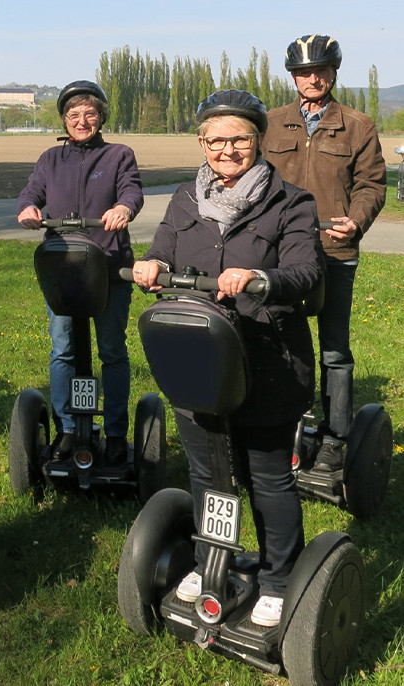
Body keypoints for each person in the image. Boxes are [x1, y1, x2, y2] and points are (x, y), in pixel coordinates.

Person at [132, 90, 323, 627]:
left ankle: (279, 578)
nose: (227, 149)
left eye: (239, 138)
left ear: (258, 140)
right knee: (208, 472)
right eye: (216, 139)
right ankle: (210, 558)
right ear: (201, 143)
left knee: (266, 477)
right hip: (199, 360)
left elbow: (306, 273)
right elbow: (163, 248)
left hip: (267, 361)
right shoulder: (184, 199)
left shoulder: (292, 202)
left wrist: (259, 279)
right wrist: (149, 265)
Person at [264, 34, 387, 472]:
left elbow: (372, 184)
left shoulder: (358, 125)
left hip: (335, 251)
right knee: (277, 341)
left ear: (333, 74)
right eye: (302, 72)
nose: (311, 78)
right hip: (280, 253)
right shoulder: (271, 123)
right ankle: (281, 425)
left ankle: (335, 438)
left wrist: (356, 219)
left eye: (319, 71)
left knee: (334, 349)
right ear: (293, 76)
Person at [16, 80, 144, 464]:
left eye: (89, 114)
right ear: (64, 120)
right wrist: (27, 210)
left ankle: (117, 432)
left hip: (108, 265)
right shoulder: (50, 159)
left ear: (101, 116)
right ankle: (69, 429)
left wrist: (123, 208)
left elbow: (132, 191)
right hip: (63, 269)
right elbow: (30, 194)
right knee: (63, 349)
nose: (82, 121)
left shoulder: (119, 155)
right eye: (74, 115)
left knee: (111, 351)